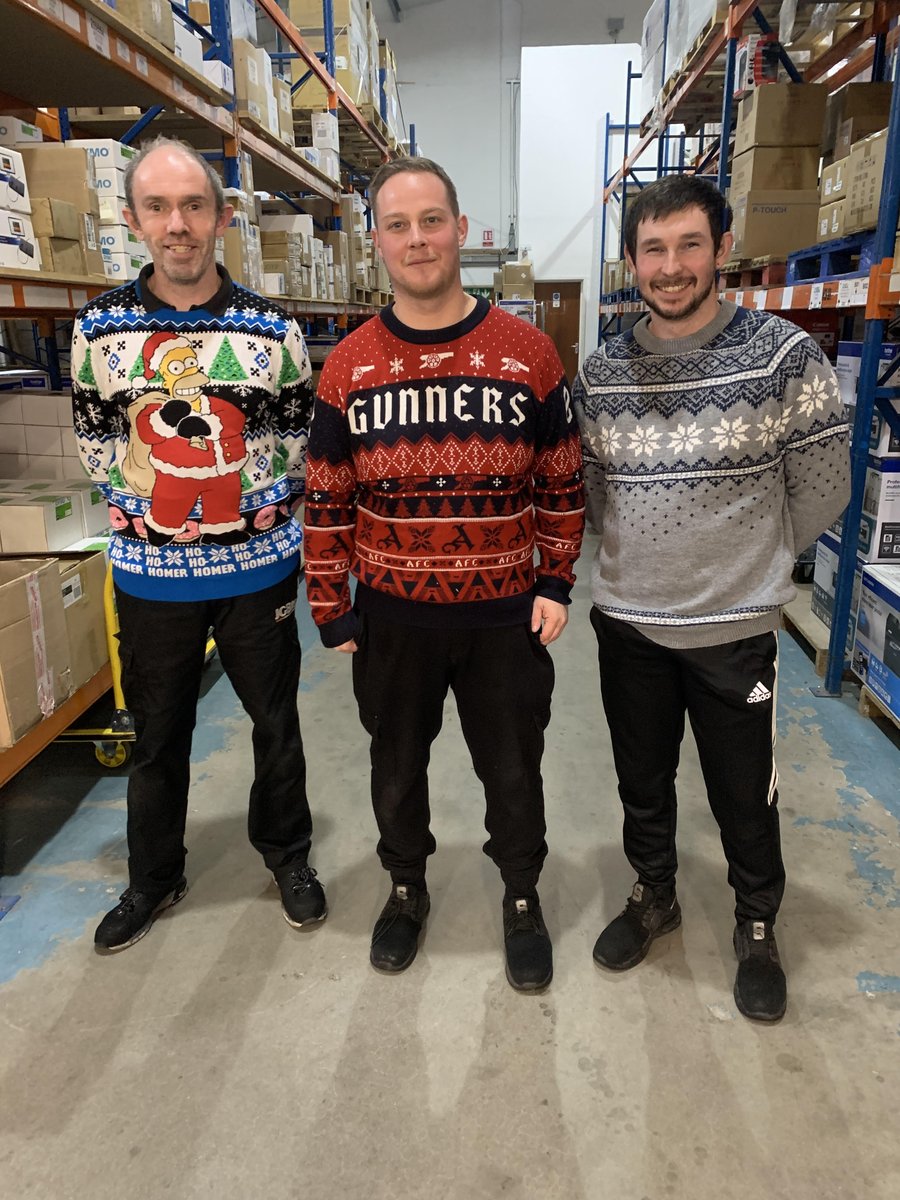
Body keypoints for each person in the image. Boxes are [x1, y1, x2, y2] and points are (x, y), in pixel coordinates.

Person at [573, 174, 850, 1020]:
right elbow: (590, 489)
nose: (671, 265)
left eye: (690, 244)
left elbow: (824, 486)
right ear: (631, 262)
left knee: (744, 790)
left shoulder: (783, 356)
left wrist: (751, 566)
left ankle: (756, 924)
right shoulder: (600, 371)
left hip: (735, 632)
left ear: (723, 249)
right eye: (653, 249)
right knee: (641, 782)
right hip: (629, 624)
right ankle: (654, 892)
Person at [303, 158, 585, 990]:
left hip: (505, 619)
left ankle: (522, 897)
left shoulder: (528, 353)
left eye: (432, 221)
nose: (417, 239)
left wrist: (557, 581)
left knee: (513, 772)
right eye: (398, 225)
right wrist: (331, 604)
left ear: (463, 230)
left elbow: (562, 480)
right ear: (378, 241)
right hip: (393, 619)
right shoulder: (348, 366)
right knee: (395, 771)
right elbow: (326, 497)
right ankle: (405, 887)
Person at [72, 135, 327, 952]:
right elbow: (94, 440)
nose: (176, 224)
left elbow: (294, 434)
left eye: (192, 206)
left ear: (221, 218)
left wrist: (244, 508)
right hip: (152, 572)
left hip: (258, 570)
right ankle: (154, 877)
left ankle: (286, 855)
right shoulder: (99, 330)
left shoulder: (272, 328)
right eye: (158, 207)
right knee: (158, 733)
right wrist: (158, 509)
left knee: (275, 722)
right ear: (132, 218)